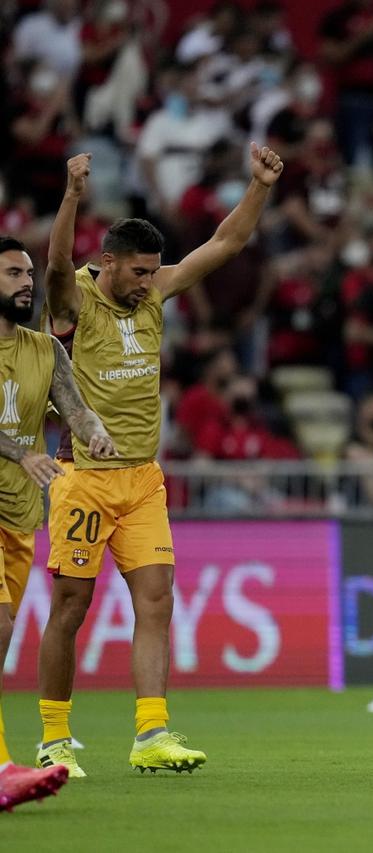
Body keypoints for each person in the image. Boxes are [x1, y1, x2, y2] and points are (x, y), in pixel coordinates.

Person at [34, 143, 283, 778]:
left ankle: (151, 733)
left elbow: (225, 244)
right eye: (139, 272)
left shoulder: (155, 294)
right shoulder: (74, 303)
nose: (151, 283)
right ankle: (54, 739)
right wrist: (71, 196)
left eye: (155, 272)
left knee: (157, 599)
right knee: (70, 606)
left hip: (143, 479)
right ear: (108, 262)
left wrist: (257, 188)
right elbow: (57, 260)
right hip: (83, 478)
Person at [0, 235, 116, 809]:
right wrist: (21, 452)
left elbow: (72, 406)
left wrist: (92, 429)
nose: (26, 282)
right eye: (13, 273)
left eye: (28, 273)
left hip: (21, 515)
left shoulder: (46, 351)